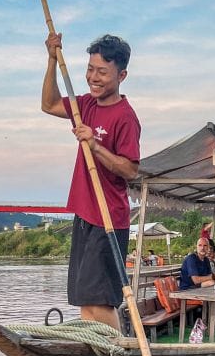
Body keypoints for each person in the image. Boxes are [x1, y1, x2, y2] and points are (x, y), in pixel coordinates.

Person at [42, 32, 141, 330]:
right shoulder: (84, 105)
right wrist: (51, 59)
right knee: (85, 300)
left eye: (102, 72)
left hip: (108, 218)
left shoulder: (126, 117)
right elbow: (48, 104)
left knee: (101, 301)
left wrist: (95, 146)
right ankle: (95, 348)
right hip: (85, 215)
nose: (93, 78)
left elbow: (130, 170)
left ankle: (116, 349)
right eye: (90, 69)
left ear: (121, 75)